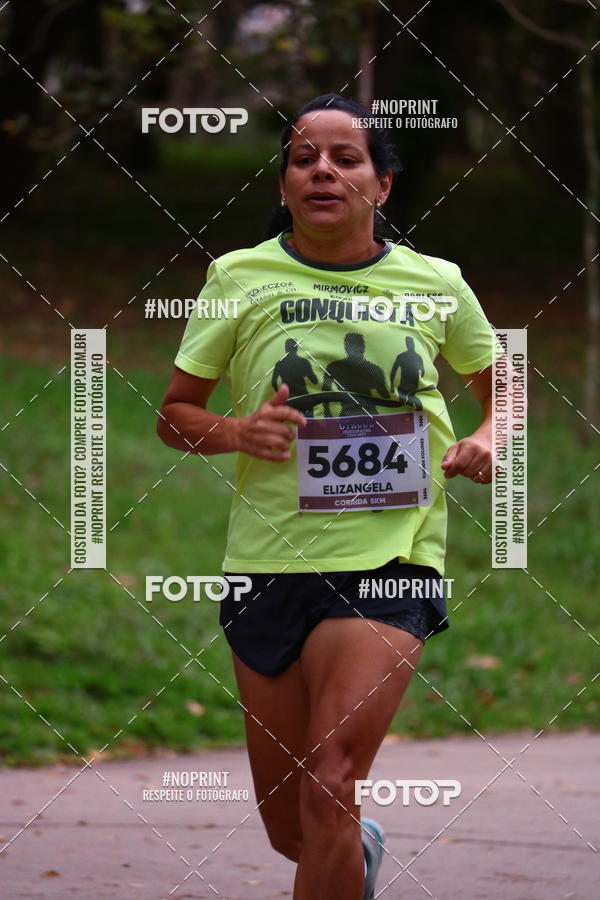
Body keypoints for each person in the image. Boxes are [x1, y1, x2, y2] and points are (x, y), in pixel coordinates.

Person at [157, 92, 499, 900]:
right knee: (292, 824)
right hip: (267, 562)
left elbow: (506, 388)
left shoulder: (435, 283)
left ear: (382, 186)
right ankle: (358, 849)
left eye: (346, 158)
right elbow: (175, 413)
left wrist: (493, 436)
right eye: (303, 158)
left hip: (392, 560)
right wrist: (237, 432)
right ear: (282, 185)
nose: (322, 171)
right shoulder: (236, 277)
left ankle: (342, 829)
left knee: (328, 783)